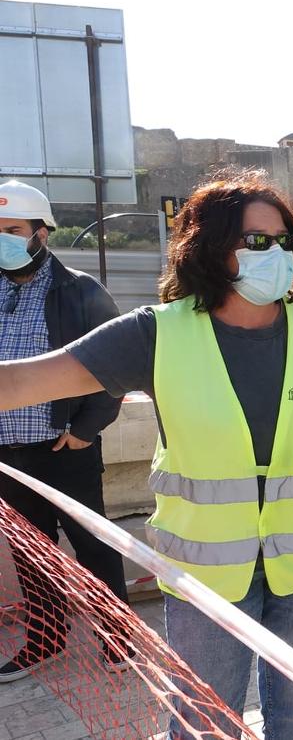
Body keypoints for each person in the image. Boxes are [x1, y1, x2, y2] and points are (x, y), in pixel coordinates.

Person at [0, 171, 293, 739]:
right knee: (205, 718)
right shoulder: (156, 334)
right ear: (212, 246)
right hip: (206, 571)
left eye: (286, 240)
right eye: (258, 241)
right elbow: (22, 383)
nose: (278, 254)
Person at [0, 180, 128, 682]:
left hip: (65, 446)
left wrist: (85, 429)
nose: (3, 239)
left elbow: (118, 366)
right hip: (7, 453)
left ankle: (119, 640)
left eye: (12, 230)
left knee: (92, 543)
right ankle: (46, 639)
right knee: (30, 553)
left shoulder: (80, 292)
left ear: (41, 233)